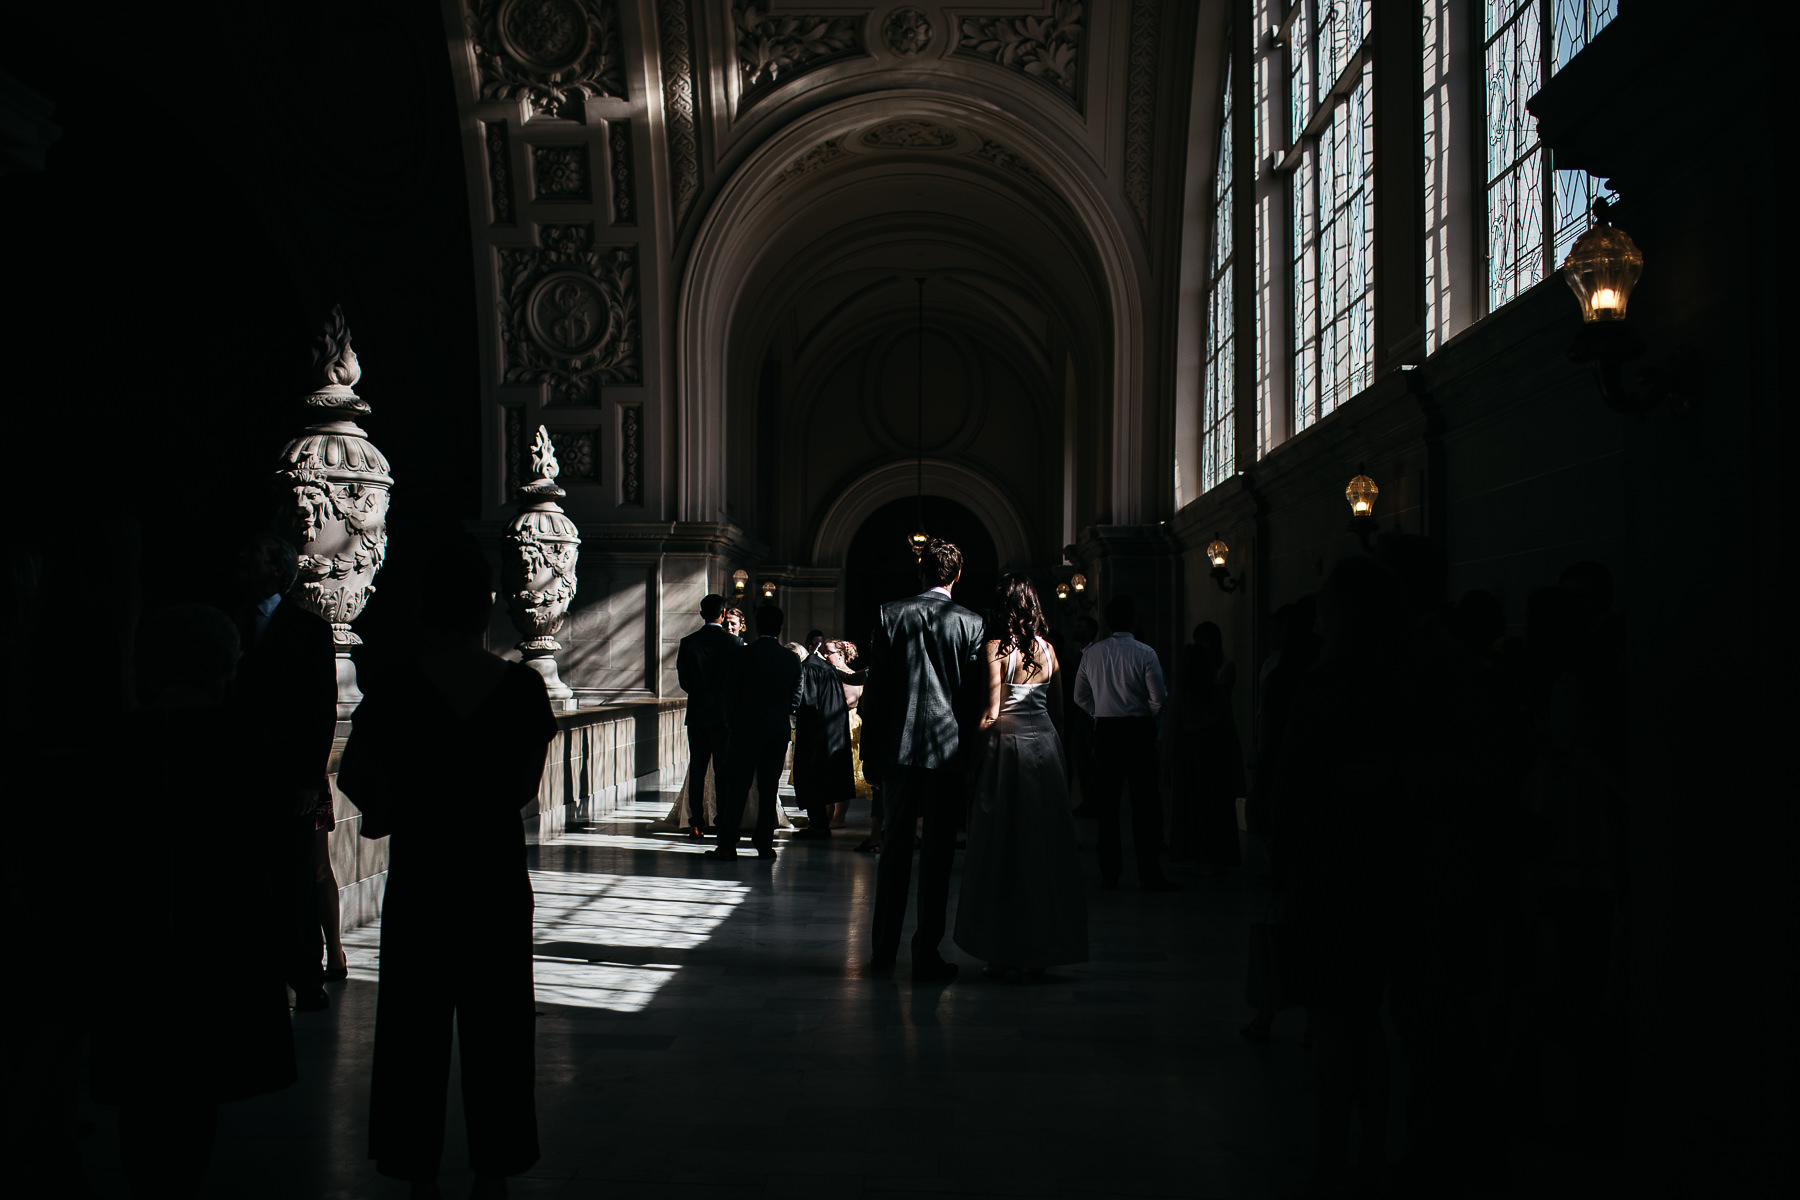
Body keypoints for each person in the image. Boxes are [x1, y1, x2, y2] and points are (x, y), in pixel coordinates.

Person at [336, 531, 555, 1200]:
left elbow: (355, 776)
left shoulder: (399, 687)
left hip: (425, 871)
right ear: (486, 606)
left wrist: (397, 810)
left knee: (412, 1028)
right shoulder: (519, 688)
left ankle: (415, 1166)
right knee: (499, 1025)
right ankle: (495, 1163)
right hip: (491, 869)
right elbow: (522, 786)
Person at [95, 603, 296, 1198]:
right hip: (218, 932)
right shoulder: (242, 737)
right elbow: (267, 832)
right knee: (198, 1086)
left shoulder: (120, 740)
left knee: (142, 1088)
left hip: (135, 934)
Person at [861, 537, 986, 981]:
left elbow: (875, 695)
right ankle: (926, 954)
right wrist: (973, 757)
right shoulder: (971, 623)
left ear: (921, 574)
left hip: (897, 749)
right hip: (947, 751)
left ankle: (882, 953)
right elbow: (972, 700)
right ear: (956, 576)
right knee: (937, 857)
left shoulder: (890, 614)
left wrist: (869, 752)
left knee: (893, 853)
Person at [954, 573, 1087, 977]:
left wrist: (971, 764)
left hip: (1007, 750)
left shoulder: (995, 648)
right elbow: (1061, 713)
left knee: (1004, 847)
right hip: (1045, 747)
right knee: (1043, 847)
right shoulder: (1049, 650)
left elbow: (991, 712)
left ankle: (1003, 947)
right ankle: (1043, 946)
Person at [232, 531, 338, 1011]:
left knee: (297, 880)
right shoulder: (232, 624)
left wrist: (307, 781)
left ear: (276, 569)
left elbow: (321, 710)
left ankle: (306, 976)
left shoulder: (308, 629)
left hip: (290, 781)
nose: (241, 563)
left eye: (251, 555)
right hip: (243, 777)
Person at [1073, 594, 1178, 892]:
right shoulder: (1145, 653)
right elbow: (1160, 698)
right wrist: (1148, 716)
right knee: (1144, 803)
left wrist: (1100, 713)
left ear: (1107, 622)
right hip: (1138, 729)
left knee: (1108, 805)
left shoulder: (1092, 654)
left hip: (1106, 731)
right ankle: (1148, 873)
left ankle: (1110, 873)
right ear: (1133, 620)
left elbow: (1079, 696)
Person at [706, 604, 801, 861]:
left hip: (745, 730)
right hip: (776, 731)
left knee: (737, 788)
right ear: (780, 628)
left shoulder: (741, 655)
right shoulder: (790, 659)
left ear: (757, 627)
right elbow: (796, 699)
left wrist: (733, 722)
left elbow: (729, 694)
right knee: (769, 790)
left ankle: (727, 844)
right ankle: (764, 844)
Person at [1173, 621, 1244, 871]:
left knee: (1194, 803)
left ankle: (1195, 848)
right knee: (1213, 804)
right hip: (1213, 751)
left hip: (1193, 751)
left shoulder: (1186, 692)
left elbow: (1175, 725)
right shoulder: (1216, 692)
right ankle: (1213, 850)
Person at [675, 594, 740, 840]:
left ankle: (695, 822)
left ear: (702, 614)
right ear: (723, 614)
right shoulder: (733, 644)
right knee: (723, 771)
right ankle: (721, 820)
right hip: (724, 717)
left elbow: (685, 682)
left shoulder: (688, 642)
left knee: (698, 771)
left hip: (698, 715)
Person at [791, 635, 853, 839]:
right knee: (824, 780)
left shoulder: (810, 668)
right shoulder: (830, 671)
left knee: (813, 778)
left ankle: (818, 825)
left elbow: (806, 702)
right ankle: (820, 824)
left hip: (814, 734)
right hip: (831, 732)